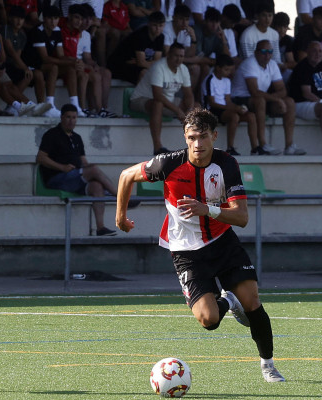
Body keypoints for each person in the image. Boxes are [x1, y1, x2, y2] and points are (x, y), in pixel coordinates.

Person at [115, 108, 286, 383]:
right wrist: (120, 216)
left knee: (253, 302)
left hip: (223, 243)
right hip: (186, 252)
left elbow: (241, 217)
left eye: (203, 137)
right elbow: (126, 176)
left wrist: (206, 209)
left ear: (214, 136)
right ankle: (228, 299)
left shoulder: (226, 164)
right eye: (191, 137)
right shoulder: (167, 164)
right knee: (208, 320)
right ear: (185, 137)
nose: (197, 144)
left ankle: (268, 365)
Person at [36, 104, 121, 236]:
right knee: (93, 170)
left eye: (74, 118)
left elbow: (83, 161)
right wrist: (62, 167)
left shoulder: (77, 137)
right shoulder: (51, 134)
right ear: (62, 117)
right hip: (56, 178)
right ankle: (120, 197)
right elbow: (41, 158)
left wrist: (90, 171)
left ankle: (100, 228)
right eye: (68, 117)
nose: (71, 121)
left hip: (75, 177)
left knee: (96, 186)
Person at [230, 39, 306, 156]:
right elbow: (254, 92)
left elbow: (282, 90)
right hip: (240, 98)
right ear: (256, 52)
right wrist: (276, 99)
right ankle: (263, 145)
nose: (267, 55)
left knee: (289, 102)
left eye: (270, 51)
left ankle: (289, 145)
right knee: (260, 101)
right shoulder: (250, 63)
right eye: (264, 51)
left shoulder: (273, 64)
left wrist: (278, 99)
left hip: (261, 99)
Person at [128, 42, 194, 154]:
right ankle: (157, 147)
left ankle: (194, 147)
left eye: (181, 56)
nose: (178, 59)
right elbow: (157, 95)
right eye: (176, 55)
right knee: (157, 104)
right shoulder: (158, 67)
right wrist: (178, 110)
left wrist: (189, 110)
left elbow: (189, 95)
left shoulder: (183, 69)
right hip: (140, 99)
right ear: (168, 55)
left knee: (196, 107)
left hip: (166, 102)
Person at [289, 41, 322, 155]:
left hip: (316, 103)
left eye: (320, 51)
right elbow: (307, 94)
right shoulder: (303, 67)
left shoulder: (321, 66)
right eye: (314, 51)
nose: (318, 54)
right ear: (307, 52)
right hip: (300, 103)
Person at [201, 54, 257, 156]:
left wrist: (238, 108)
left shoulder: (227, 81)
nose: (229, 72)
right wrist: (234, 109)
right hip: (212, 110)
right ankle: (230, 147)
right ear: (218, 68)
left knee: (251, 116)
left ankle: (255, 148)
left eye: (230, 70)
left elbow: (228, 100)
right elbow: (212, 103)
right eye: (226, 69)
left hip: (224, 109)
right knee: (234, 116)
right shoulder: (209, 80)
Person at [108, 11, 166, 84]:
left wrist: (143, 62)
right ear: (148, 24)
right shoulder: (140, 35)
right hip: (120, 65)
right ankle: (139, 95)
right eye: (155, 25)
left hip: (135, 64)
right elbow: (141, 63)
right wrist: (144, 62)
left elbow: (156, 61)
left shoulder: (161, 37)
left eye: (161, 26)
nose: (158, 29)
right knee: (144, 73)